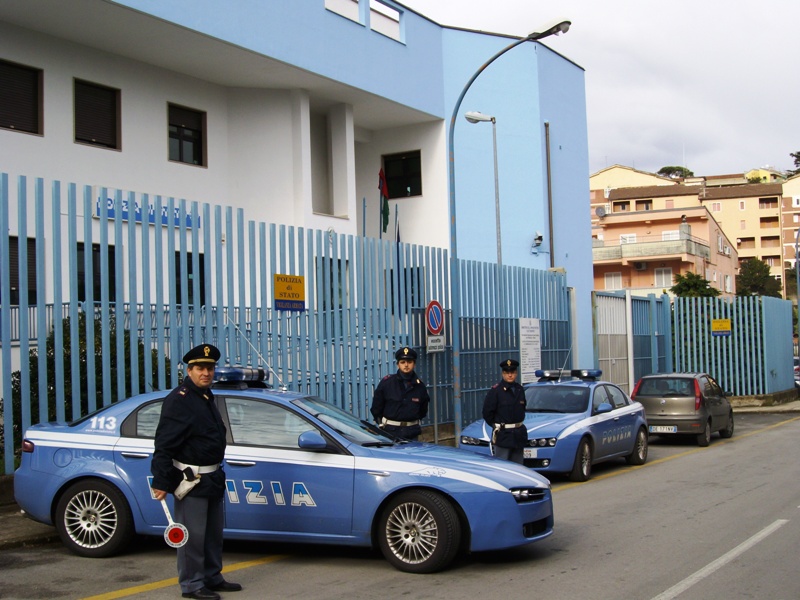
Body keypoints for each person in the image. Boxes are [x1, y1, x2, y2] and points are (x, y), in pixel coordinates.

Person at [151, 344, 242, 600]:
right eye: (201, 368)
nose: (206, 373)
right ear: (189, 370)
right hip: (191, 479)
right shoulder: (179, 400)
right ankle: (192, 585)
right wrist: (161, 480)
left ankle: (212, 576)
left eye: (210, 368)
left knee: (213, 534)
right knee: (192, 536)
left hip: (212, 477)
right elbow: (164, 444)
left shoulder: (204, 395)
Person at [371, 346, 430, 440]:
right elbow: (376, 407)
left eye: (409, 362)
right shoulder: (387, 383)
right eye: (402, 362)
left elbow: (423, 411)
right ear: (398, 364)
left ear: (414, 364)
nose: (406, 365)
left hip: (412, 432)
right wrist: (381, 423)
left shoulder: (420, 386)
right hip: (390, 432)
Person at [482, 359, 527, 464]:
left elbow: (522, 409)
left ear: (516, 373)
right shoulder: (496, 391)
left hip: (518, 434)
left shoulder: (520, 390)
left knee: (518, 467)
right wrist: (497, 425)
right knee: (503, 465)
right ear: (503, 374)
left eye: (512, 372)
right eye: (507, 373)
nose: (510, 375)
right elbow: (487, 413)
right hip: (503, 435)